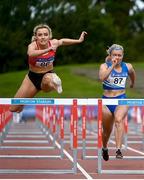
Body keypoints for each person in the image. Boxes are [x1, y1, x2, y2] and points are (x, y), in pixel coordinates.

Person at [10, 24, 87, 113]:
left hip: (48, 75)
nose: (43, 37)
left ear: (49, 36)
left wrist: (79, 40)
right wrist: (48, 49)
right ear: (36, 37)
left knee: (47, 79)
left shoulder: (53, 43)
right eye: (40, 35)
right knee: (14, 108)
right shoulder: (33, 46)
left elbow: (62, 41)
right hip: (31, 78)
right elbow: (30, 53)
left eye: (45, 34)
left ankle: (55, 83)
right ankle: (28, 97)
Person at [99, 44, 136, 161]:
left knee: (119, 120)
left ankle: (118, 149)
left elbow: (132, 73)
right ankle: (104, 147)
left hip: (121, 99)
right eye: (115, 55)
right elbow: (102, 78)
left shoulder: (128, 66)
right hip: (106, 101)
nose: (117, 57)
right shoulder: (104, 66)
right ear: (110, 56)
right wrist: (112, 66)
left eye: (120, 55)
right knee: (107, 131)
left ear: (123, 56)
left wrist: (132, 83)